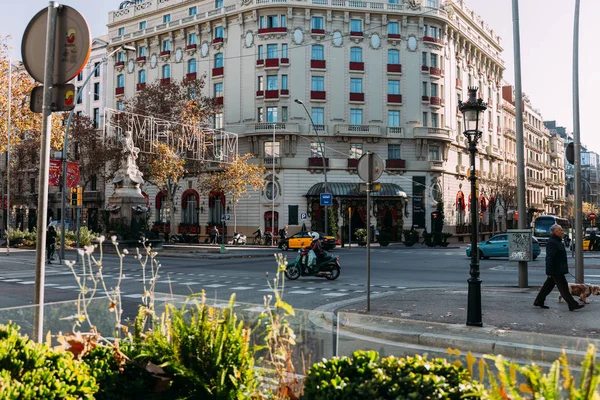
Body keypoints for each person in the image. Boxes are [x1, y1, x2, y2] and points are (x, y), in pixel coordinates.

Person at [534, 223, 584, 311]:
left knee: (547, 287)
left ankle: (539, 301)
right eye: (560, 230)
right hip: (556, 270)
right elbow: (549, 257)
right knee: (563, 288)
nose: (562, 232)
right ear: (555, 231)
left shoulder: (557, 241)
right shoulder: (552, 242)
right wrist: (549, 271)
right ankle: (572, 304)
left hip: (558, 269)